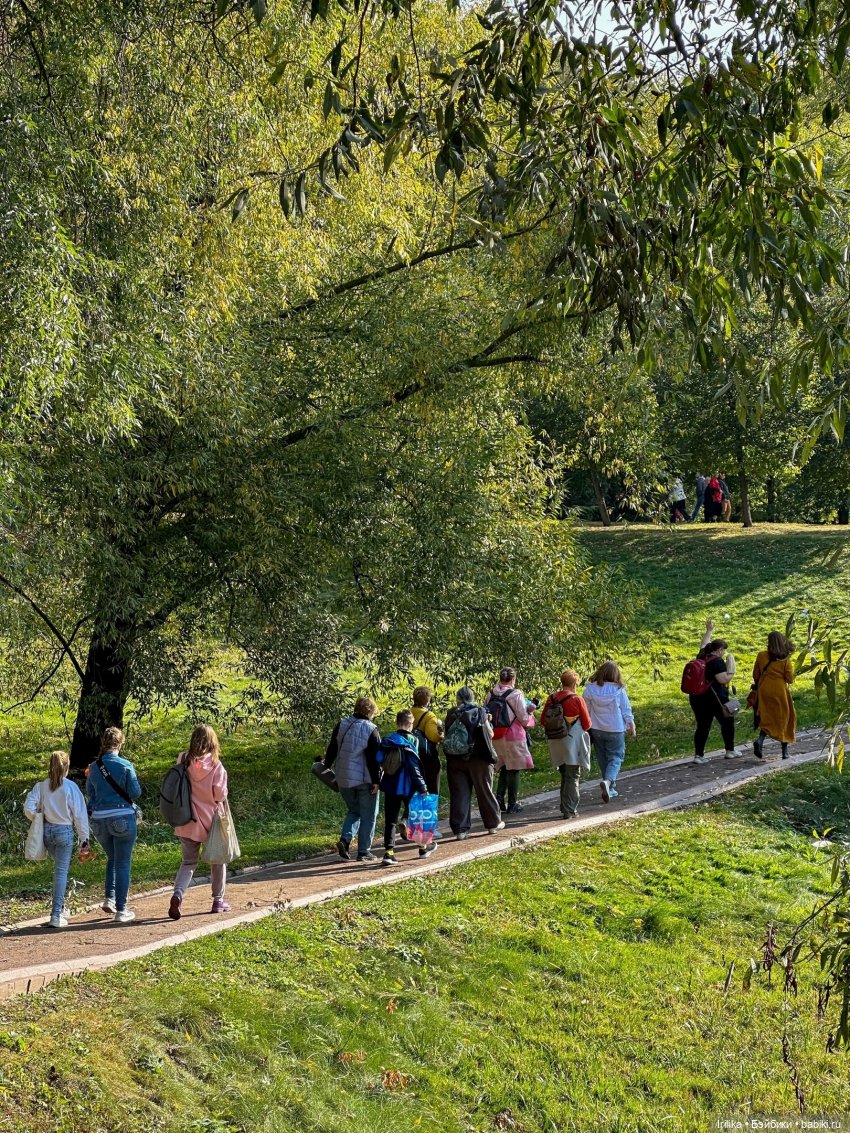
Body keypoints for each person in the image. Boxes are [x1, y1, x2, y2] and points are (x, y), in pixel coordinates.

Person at [168, 724, 230, 920]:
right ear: (213, 742)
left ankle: (178, 894)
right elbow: (219, 794)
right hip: (211, 820)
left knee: (188, 862)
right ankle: (218, 900)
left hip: (186, 819)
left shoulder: (183, 759)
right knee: (217, 860)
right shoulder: (216, 766)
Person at [24, 751, 91, 929]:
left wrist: (39, 817)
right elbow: (80, 816)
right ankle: (56, 914)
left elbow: (28, 807)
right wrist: (84, 841)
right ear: (66, 767)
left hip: (47, 832)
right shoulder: (70, 787)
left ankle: (60, 907)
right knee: (61, 872)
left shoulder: (41, 786)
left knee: (60, 869)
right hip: (64, 832)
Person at [86, 726, 141, 924]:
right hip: (122, 818)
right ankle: (121, 909)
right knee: (123, 862)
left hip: (99, 821)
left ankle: (109, 898)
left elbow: (90, 793)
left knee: (112, 858)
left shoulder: (93, 767)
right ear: (120, 743)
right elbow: (135, 792)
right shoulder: (126, 764)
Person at [323, 696, 382, 862]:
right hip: (364, 779)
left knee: (354, 810)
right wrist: (376, 781)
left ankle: (345, 840)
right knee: (369, 814)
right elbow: (374, 759)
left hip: (342, 777)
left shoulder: (342, 724)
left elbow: (332, 748)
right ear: (370, 711)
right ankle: (364, 851)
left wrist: (326, 765)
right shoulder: (371, 729)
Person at [443, 687, 505, 839]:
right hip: (478, 758)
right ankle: (492, 824)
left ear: (458, 698)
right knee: (484, 790)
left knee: (459, 794)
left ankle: (460, 830)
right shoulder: (479, 711)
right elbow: (489, 734)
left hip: (455, 759)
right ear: (472, 697)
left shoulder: (451, 713)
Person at [378, 709, 433, 867]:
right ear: (411, 724)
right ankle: (422, 848)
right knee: (417, 815)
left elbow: (378, 758)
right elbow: (414, 766)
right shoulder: (413, 740)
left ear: (397, 723)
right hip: (409, 786)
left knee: (390, 821)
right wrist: (422, 787)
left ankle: (388, 853)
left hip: (390, 785)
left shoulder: (388, 740)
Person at [540, 670, 592, 819]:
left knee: (564, 774)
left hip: (555, 741)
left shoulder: (552, 698)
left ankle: (564, 806)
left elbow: (543, 720)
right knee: (573, 775)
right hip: (571, 742)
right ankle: (569, 810)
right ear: (575, 683)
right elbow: (587, 724)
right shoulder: (577, 699)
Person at [582, 662, 635, 802]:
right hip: (615, 728)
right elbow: (626, 709)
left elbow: (585, 711)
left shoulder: (589, 690)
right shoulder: (619, 690)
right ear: (615, 674)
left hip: (596, 728)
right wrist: (631, 726)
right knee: (616, 757)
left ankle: (610, 788)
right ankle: (608, 782)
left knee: (602, 758)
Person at [687, 618, 738, 764]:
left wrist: (709, 630)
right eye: (723, 650)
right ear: (719, 650)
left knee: (703, 725)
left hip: (697, 697)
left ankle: (699, 755)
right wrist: (731, 669)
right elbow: (723, 679)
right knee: (728, 720)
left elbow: (703, 643)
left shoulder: (702, 655)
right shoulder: (716, 661)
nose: (723, 653)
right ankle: (730, 751)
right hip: (715, 698)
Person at [484, 668, 534, 815]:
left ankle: (499, 799)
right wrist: (530, 712)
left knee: (504, 766)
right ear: (513, 679)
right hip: (513, 735)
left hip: (496, 736)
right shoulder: (516, 694)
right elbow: (524, 719)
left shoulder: (490, 694)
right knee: (514, 768)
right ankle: (512, 803)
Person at [751, 632, 797, 760]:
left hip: (764, 689)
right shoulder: (785, 659)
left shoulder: (761, 655)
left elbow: (755, 674)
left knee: (767, 715)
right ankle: (785, 752)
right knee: (785, 718)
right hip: (779, 690)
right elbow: (789, 679)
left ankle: (760, 740)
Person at [410, 686, 444, 795]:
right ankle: (429, 810)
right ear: (428, 700)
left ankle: (413, 811)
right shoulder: (429, 716)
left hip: (412, 755)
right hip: (427, 758)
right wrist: (441, 731)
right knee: (431, 788)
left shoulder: (409, 712)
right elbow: (433, 736)